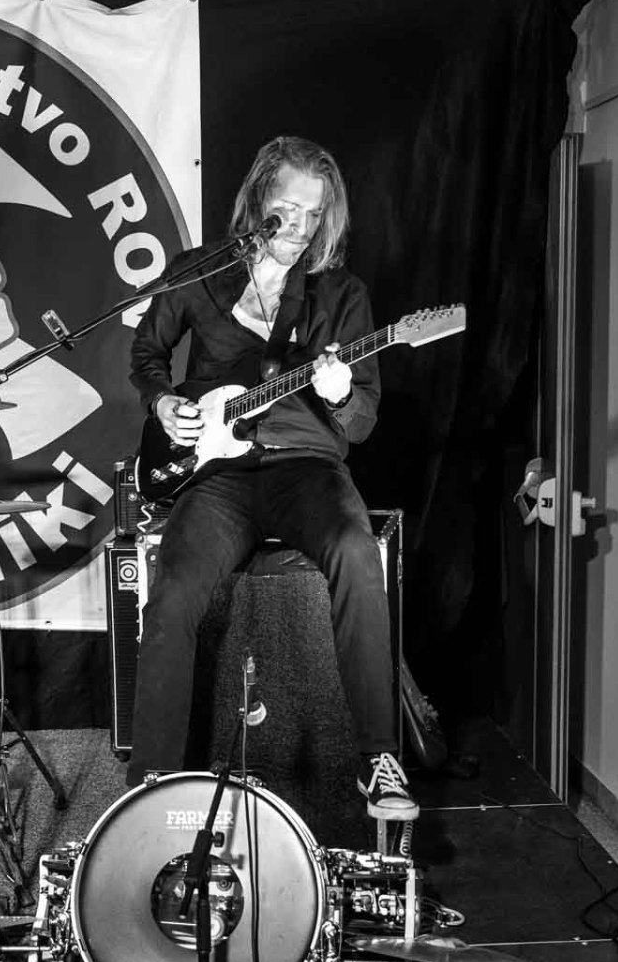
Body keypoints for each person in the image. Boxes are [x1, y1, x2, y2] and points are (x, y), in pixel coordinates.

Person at [124, 136, 414, 821]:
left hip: (305, 468)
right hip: (217, 477)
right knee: (172, 592)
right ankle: (150, 783)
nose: (302, 227)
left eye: (315, 214)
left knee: (355, 551)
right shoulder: (201, 273)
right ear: (258, 201)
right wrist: (162, 402)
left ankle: (378, 759)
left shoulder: (340, 295)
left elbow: (362, 423)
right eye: (289, 210)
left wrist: (339, 394)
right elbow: (146, 352)